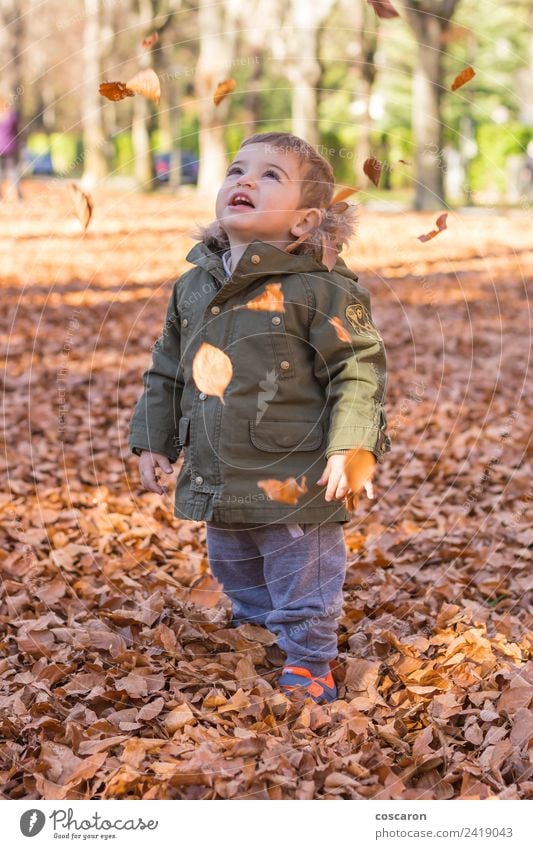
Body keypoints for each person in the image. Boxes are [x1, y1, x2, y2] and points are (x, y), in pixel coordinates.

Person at [128, 131, 392, 704]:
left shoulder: (318, 289)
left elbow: (357, 368)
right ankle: (258, 626)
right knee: (233, 561)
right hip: (219, 465)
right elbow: (169, 367)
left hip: (298, 471)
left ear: (305, 222)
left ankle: (309, 658)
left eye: (271, 175)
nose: (245, 180)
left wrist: (353, 446)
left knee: (303, 572)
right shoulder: (195, 285)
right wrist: (154, 439)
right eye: (237, 169)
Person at [0, 95, 23, 202]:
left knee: (1, 173)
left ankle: (1, 197)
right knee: (13, 171)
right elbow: (17, 131)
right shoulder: (12, 116)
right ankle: (18, 196)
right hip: (11, 147)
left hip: (3, 148)